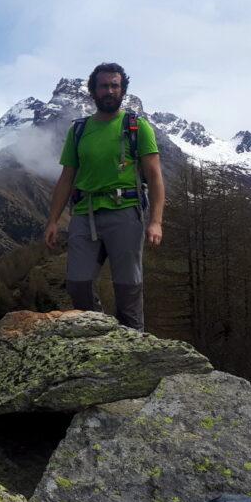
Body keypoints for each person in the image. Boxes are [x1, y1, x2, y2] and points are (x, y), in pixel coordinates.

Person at [43, 62, 165, 330]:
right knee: (78, 283)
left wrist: (155, 221)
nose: (109, 91)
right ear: (93, 91)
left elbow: (155, 177)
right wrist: (53, 220)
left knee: (129, 288)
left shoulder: (137, 127)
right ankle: (99, 332)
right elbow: (67, 179)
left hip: (126, 212)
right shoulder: (78, 131)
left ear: (122, 90)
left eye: (115, 86)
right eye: (104, 86)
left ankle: (134, 347)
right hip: (84, 214)